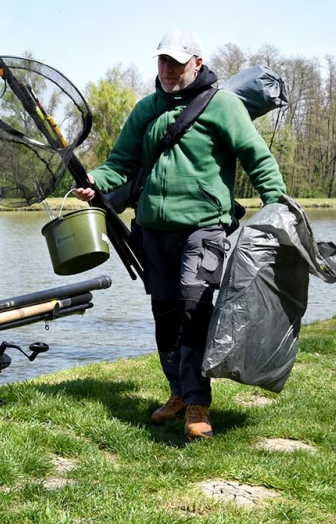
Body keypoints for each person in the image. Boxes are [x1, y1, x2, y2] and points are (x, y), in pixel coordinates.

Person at [75, 28, 285, 440]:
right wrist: (96, 180)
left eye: (176, 62)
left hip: (203, 227)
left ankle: (197, 402)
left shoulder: (223, 106)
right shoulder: (146, 109)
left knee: (194, 308)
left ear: (197, 64)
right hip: (153, 231)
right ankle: (178, 392)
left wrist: (277, 205)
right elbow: (120, 163)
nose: (168, 69)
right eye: (162, 61)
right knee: (166, 315)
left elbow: (257, 157)